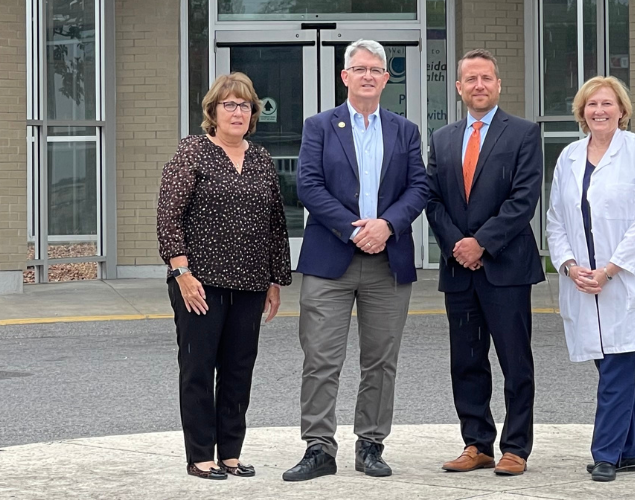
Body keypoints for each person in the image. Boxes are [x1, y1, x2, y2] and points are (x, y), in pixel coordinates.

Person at [282, 39, 431, 482]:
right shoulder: (320, 126)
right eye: (359, 68)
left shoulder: (405, 130)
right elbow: (308, 186)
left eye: (376, 69)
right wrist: (353, 229)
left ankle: (370, 444)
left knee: (381, 360)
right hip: (331, 258)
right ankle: (318, 447)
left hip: (388, 260)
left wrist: (386, 225)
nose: (368, 75)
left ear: (387, 78)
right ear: (345, 77)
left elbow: (419, 187)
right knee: (321, 358)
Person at [156, 72, 291, 480]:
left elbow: (275, 222)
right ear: (212, 111)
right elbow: (169, 216)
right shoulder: (192, 151)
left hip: (250, 282)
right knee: (198, 369)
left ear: (253, 114)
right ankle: (200, 455)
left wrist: (274, 278)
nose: (237, 112)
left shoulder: (262, 158)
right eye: (229, 104)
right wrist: (181, 272)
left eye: (245, 105)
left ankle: (230, 452)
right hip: (199, 282)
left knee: (238, 369)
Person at [543, 76, 635, 482]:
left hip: (627, 280)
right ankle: (632, 451)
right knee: (611, 368)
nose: (599, 111)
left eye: (607, 103)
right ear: (581, 112)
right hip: (584, 282)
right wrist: (568, 265)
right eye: (591, 104)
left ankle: (605, 454)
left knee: (618, 367)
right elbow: (555, 220)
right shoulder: (568, 157)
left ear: (622, 110)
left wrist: (610, 269)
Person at [424, 49, 544, 477]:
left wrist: (483, 243)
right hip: (459, 270)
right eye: (470, 79)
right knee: (467, 361)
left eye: (486, 78)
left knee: (515, 362)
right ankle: (477, 444)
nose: (479, 85)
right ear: (458, 88)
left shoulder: (524, 133)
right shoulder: (442, 138)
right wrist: (459, 244)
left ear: (498, 84)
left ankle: (516, 447)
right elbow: (433, 200)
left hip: (506, 268)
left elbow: (524, 199)